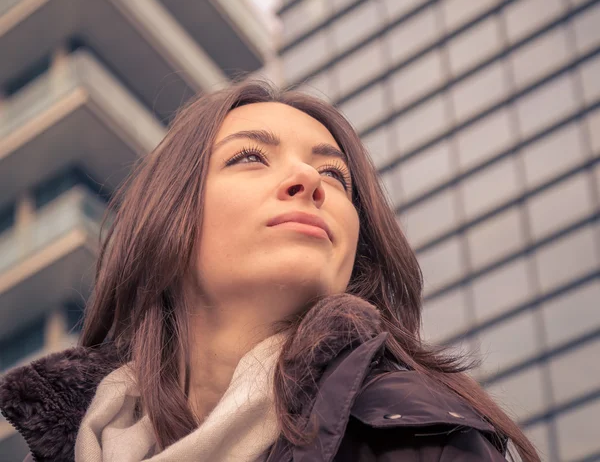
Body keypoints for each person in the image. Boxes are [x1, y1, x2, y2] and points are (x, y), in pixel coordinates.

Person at [0, 79, 540, 462]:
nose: (309, 179)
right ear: (167, 219)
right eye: (250, 158)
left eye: (335, 174)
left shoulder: (422, 437)